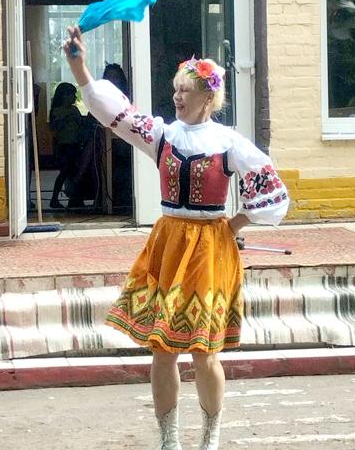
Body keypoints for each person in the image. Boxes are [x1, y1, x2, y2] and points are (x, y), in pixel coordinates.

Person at [63, 26, 289, 450]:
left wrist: (235, 224)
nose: (177, 97)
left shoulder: (227, 142)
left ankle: (210, 435)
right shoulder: (163, 134)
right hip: (168, 244)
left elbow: (273, 191)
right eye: (175, 89)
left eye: (185, 90)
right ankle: (169, 439)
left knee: (204, 351)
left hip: (209, 249)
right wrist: (80, 68)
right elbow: (116, 113)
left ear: (208, 96)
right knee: (162, 348)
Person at [48, 82, 84, 209]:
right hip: (63, 146)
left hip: (75, 144)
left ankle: (74, 198)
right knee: (64, 172)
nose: (74, 97)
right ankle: (54, 198)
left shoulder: (74, 110)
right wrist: (65, 120)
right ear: (63, 96)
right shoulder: (57, 111)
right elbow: (54, 128)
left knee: (74, 172)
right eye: (72, 95)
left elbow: (81, 125)